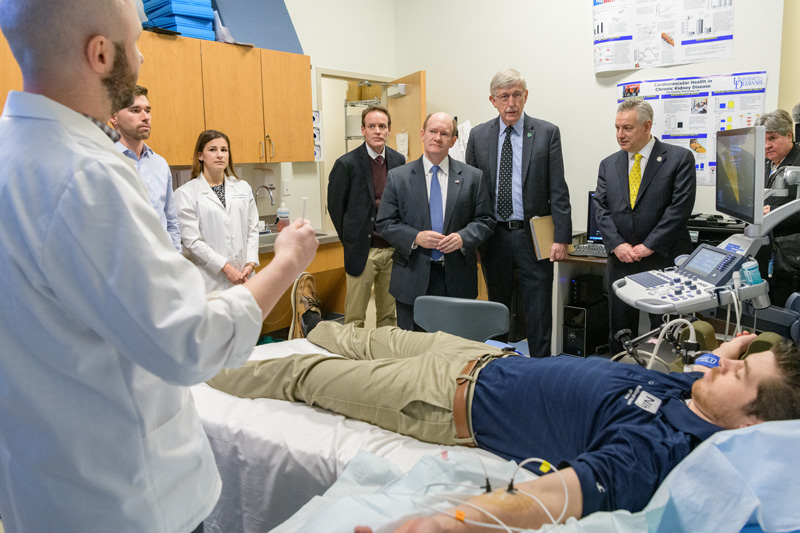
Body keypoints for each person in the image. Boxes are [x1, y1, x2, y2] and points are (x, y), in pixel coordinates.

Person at [0, 0, 318, 530]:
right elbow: (188, 342)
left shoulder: (15, 151)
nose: (143, 59)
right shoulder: (88, 176)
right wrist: (284, 265)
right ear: (100, 54)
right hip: (127, 498)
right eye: (135, 42)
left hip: (43, 489)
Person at [207, 276, 800, 532]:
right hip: (484, 357)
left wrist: (454, 520)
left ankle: (198, 370)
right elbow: (712, 363)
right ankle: (310, 327)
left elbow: (558, 495)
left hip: (445, 401)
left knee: (303, 375)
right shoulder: (690, 393)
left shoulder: (656, 452)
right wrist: (740, 347)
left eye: (738, 373)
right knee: (345, 335)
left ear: (750, 421)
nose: (722, 362)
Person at [466, 69, 572, 357]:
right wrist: (472, 241)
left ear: (526, 96)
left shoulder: (547, 133)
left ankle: (540, 371)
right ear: (493, 100)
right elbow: (472, 194)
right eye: (504, 97)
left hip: (533, 236)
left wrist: (562, 237)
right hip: (494, 237)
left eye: (516, 95)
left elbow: (557, 189)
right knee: (497, 309)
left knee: (538, 310)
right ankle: (498, 366)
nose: (511, 103)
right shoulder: (478, 136)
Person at [594, 99, 696, 354]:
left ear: (647, 126)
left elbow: (679, 209)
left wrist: (649, 246)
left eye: (627, 128)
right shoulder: (609, 164)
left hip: (663, 257)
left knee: (666, 331)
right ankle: (618, 375)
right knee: (620, 329)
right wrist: (616, 244)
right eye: (617, 128)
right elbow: (601, 207)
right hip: (621, 259)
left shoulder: (678, 158)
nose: (620, 135)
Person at [376, 112, 495, 330]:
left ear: (453, 141)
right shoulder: (399, 176)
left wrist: (462, 238)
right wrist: (415, 237)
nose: (437, 137)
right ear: (422, 134)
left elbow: (485, 220)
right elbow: (385, 222)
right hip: (412, 278)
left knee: (454, 349)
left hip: (457, 278)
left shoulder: (472, 177)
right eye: (432, 131)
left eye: (444, 133)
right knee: (412, 351)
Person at [327, 106, 405, 328]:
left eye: (382, 126)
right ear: (363, 129)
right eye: (372, 126)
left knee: (389, 316)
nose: (377, 131)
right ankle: (353, 359)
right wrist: (351, 241)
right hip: (363, 251)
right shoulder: (346, 164)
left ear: (389, 129)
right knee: (355, 317)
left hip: (392, 251)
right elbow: (335, 208)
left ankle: (385, 357)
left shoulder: (399, 161)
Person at [175, 130, 260, 292]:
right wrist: (226, 268)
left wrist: (250, 263)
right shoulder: (185, 193)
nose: (220, 155)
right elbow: (193, 241)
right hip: (210, 280)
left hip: (245, 276)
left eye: (224, 150)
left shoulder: (243, 188)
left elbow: (252, 229)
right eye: (212, 150)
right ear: (200, 156)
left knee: (249, 316)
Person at [110, 84, 181, 251]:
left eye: (147, 110)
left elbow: (171, 221)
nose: (145, 117)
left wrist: (176, 257)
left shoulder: (160, 164)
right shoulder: (103, 161)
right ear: (114, 117)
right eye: (135, 110)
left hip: (163, 267)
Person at [755, 109, 800, 307]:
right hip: (767, 251)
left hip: (791, 256)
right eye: (763, 140)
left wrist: (774, 213)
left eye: (772, 138)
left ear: (789, 135)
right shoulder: (766, 163)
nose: (766, 146)